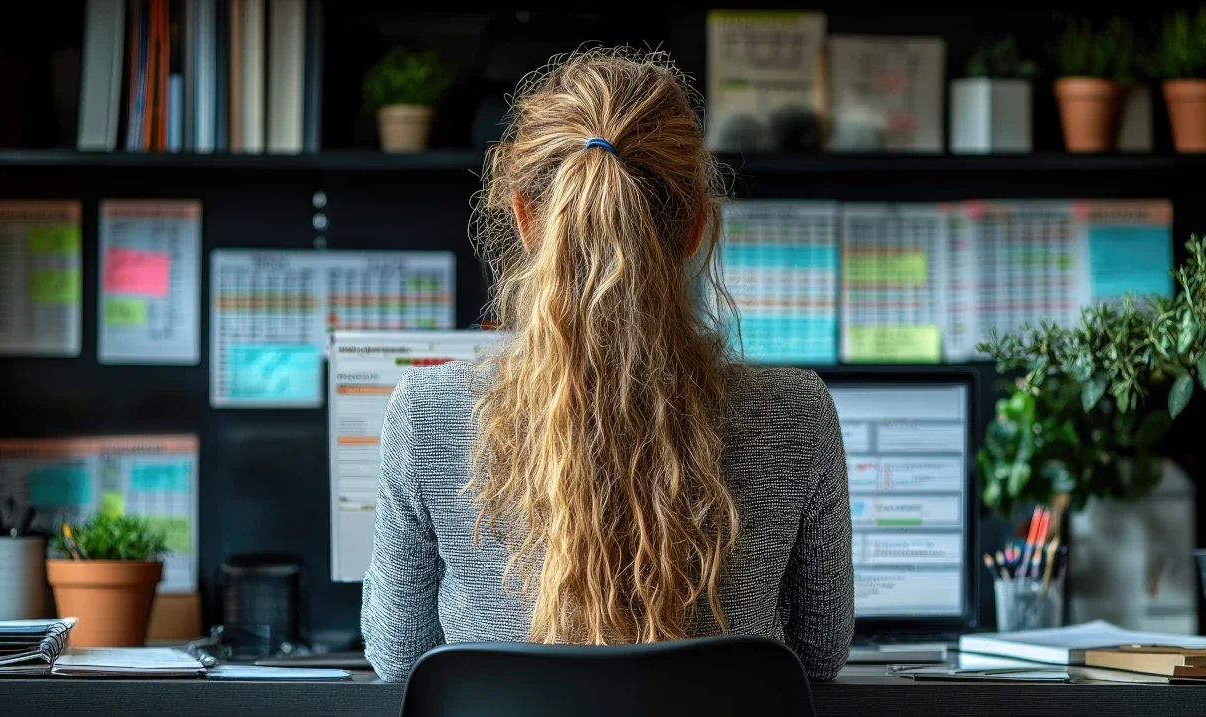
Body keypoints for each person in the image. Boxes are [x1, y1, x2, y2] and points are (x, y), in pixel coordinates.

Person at [361, 48, 853, 682]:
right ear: (697, 226)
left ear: (525, 218)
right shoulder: (794, 415)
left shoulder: (428, 413)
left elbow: (400, 657)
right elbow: (818, 655)